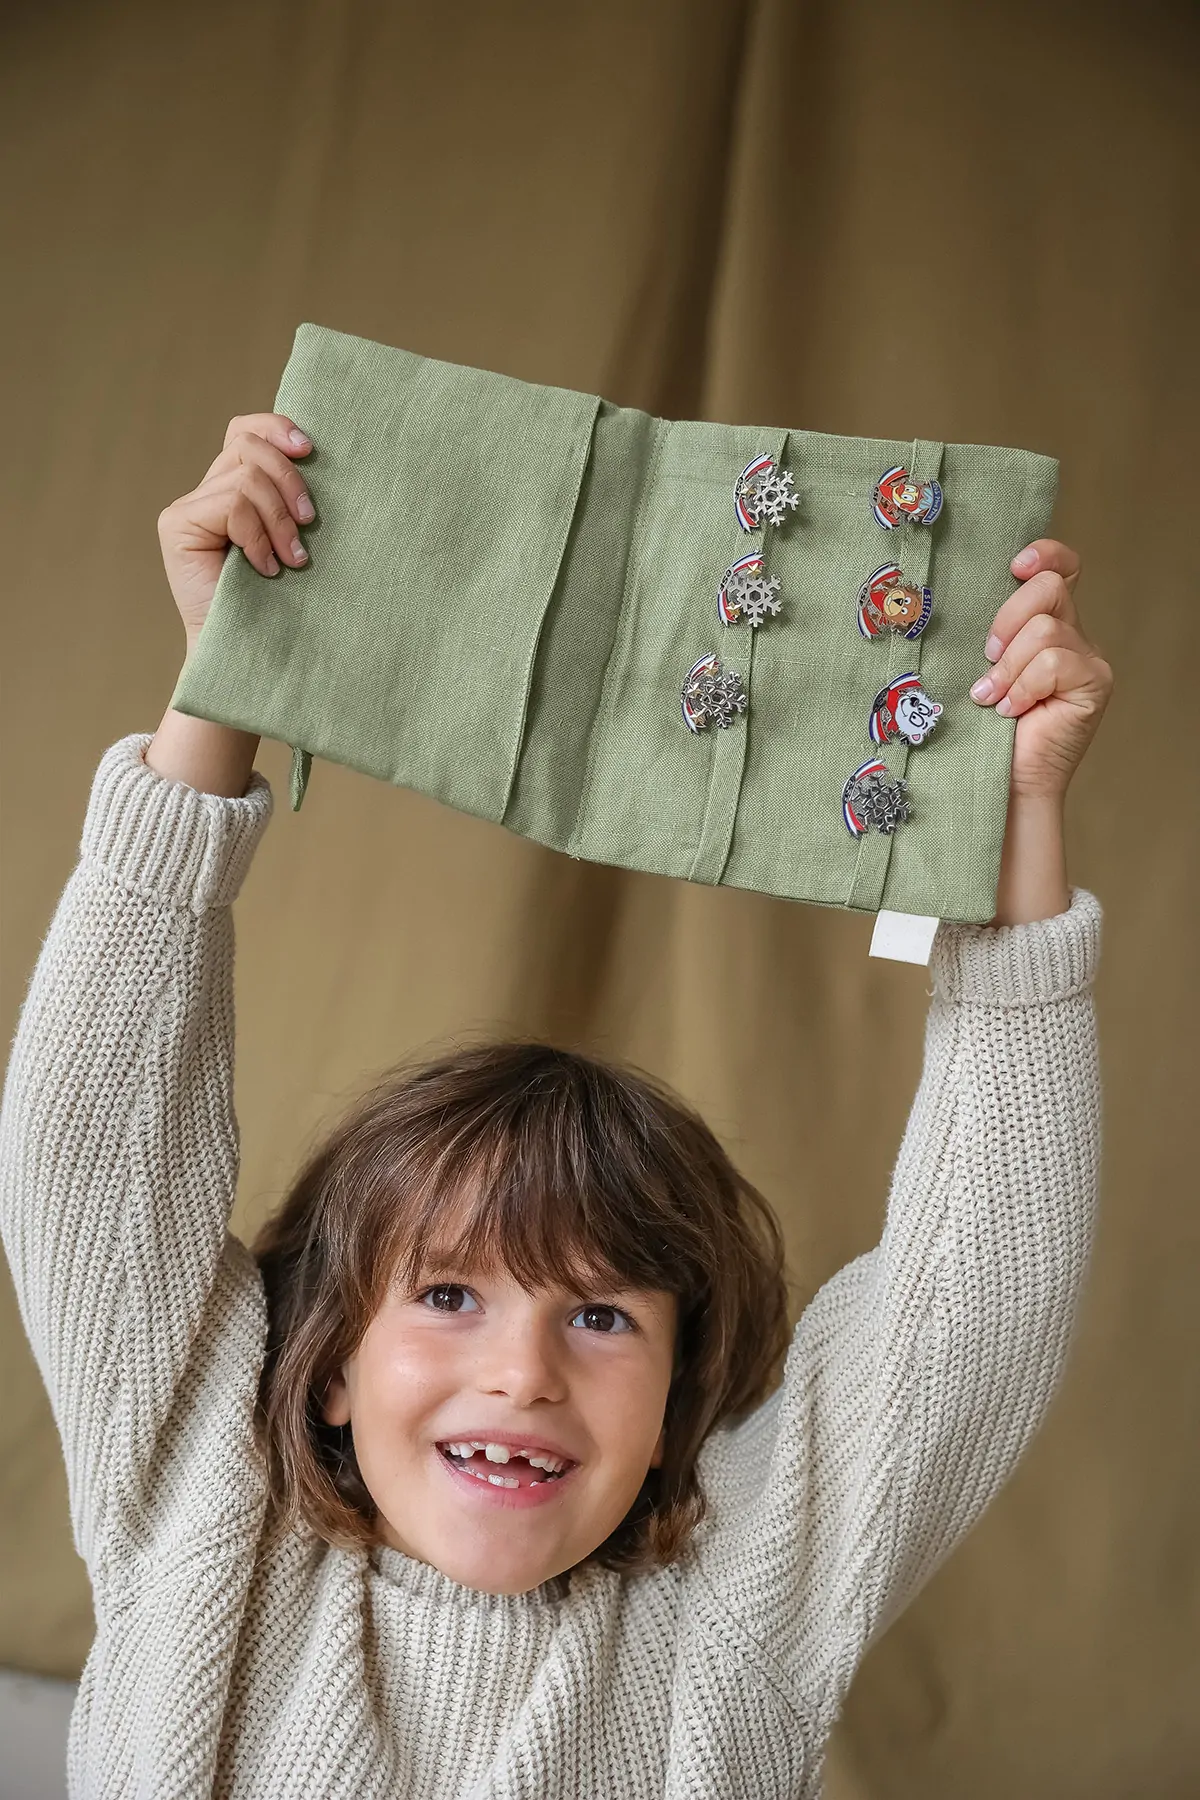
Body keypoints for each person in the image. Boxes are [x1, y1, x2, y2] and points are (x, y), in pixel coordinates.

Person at [0, 412, 1113, 1799]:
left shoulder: (732, 1619)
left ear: (677, 1402)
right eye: (450, 1296)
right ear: (331, 1363)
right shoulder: (198, 1514)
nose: (526, 1373)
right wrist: (225, 683)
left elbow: (976, 1307)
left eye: (600, 1317)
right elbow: (95, 1151)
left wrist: (1006, 840)